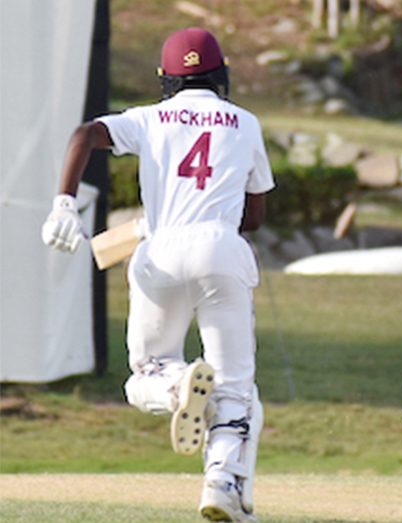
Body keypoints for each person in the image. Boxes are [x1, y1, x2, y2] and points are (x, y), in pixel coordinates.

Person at [41, 28, 274, 522]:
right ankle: (221, 485)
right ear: (221, 75)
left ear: (167, 79)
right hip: (222, 251)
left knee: (142, 376)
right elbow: (253, 218)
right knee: (235, 389)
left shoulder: (149, 118)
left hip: (161, 250)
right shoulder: (245, 123)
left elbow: (84, 134)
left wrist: (64, 204)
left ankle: (175, 386)